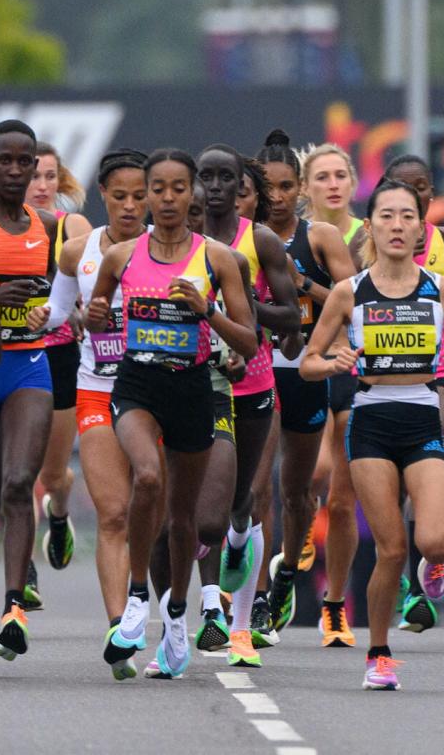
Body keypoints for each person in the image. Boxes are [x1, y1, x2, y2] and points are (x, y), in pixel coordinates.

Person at [301, 178, 444, 690]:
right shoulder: (350, 291)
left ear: (420, 226)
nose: (398, 226)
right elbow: (308, 364)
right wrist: (333, 361)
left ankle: (438, 562)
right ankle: (379, 655)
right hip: (370, 419)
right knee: (390, 549)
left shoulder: (441, 288)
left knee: (435, 539)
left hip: (423, 416)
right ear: (372, 225)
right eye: (387, 216)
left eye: (408, 216)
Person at [86, 148, 258, 679]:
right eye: (155, 188)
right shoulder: (121, 257)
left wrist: (207, 311)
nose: (164, 199)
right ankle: (138, 595)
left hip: (191, 388)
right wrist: (91, 317)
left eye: (176, 189)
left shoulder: (217, 259)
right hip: (136, 386)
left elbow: (249, 343)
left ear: (193, 195)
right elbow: (92, 323)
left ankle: (177, 612)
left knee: (184, 521)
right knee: (147, 474)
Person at [27, 148, 149, 679]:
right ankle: (119, 627)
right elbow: (56, 315)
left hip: (156, 395)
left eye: (139, 196)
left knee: (158, 516)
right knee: (114, 513)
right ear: (102, 194)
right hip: (97, 389)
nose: (129, 206)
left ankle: (161, 609)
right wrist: (57, 316)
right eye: (119, 196)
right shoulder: (78, 252)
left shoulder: (177, 254)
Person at [185, 142, 299, 667]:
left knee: (244, 500)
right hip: (195, 384)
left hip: (253, 384)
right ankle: (219, 624)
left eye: (225, 177)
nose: (214, 187)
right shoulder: (174, 241)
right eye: (204, 177)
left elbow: (291, 319)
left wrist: (244, 305)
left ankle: (239, 589)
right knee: (194, 505)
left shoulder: (262, 241)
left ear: (241, 186)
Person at [255, 129, 355, 637]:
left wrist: (302, 285)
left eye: (286, 186)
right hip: (256, 370)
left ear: (300, 190)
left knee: (296, 493)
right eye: (267, 187)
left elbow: (356, 299)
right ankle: (241, 591)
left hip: (307, 371)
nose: (276, 197)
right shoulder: (241, 238)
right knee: (255, 489)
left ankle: (285, 577)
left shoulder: (321, 237)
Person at [382, 153, 444, 634]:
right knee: (391, 484)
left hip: (436, 375)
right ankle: (402, 576)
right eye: (401, 187)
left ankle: (427, 572)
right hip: (380, 379)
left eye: (421, 188)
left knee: (424, 460)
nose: (412, 196)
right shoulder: (369, 242)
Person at [0, 119, 58, 661]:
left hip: (27, 367)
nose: (17, 171)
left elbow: (65, 299)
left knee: (19, 481)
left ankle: (13, 607)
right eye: (5, 161)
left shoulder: (49, 227)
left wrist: (65, 314)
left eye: (26, 162)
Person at [299, 142, 365, 646]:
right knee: (312, 472)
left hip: (349, 362)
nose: (334, 184)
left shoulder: (371, 232)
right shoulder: (290, 235)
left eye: (341, 174)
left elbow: (362, 303)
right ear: (306, 188)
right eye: (322, 177)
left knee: (343, 503)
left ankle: (335, 604)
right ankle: (300, 517)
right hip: (299, 362)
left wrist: (310, 288)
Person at [25, 143, 92, 604]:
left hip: (61, 359)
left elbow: (93, 293)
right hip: (12, 357)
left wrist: (82, 313)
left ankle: (61, 512)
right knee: (16, 474)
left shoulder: (73, 229)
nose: (42, 186)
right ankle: (23, 572)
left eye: (51, 176)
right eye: (34, 176)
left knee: (52, 475)